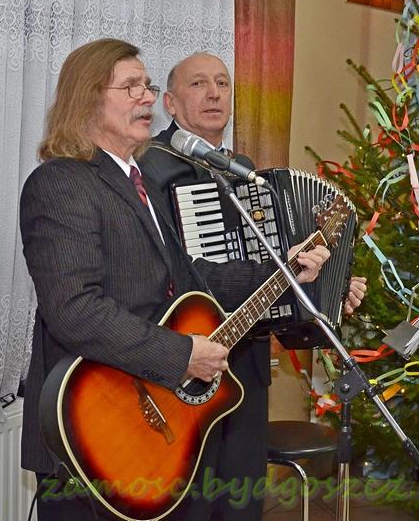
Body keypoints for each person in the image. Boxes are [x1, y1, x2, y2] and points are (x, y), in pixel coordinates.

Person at [18, 38, 330, 520]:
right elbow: (75, 310)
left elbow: (194, 280)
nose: (146, 97)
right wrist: (182, 353)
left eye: (147, 86)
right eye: (131, 87)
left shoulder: (141, 184)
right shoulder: (61, 182)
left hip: (156, 425)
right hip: (95, 432)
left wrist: (282, 269)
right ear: (87, 98)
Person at [138, 52, 367, 519]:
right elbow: (171, 273)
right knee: (191, 501)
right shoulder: (152, 168)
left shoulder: (245, 170)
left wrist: (329, 287)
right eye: (199, 84)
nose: (215, 93)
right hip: (186, 363)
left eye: (222, 83)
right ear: (170, 103)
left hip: (247, 360)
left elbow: (276, 265)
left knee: (240, 502)